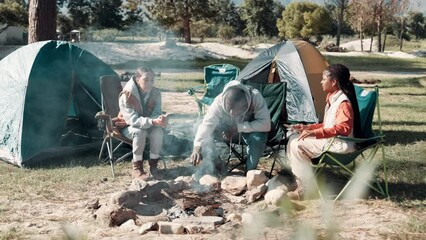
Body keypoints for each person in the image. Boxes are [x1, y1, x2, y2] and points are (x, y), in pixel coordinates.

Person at [286, 64, 363, 200]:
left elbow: (344, 128)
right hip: (332, 141)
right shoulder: (334, 98)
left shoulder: (343, 103)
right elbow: (329, 124)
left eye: (323, 79)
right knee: (293, 136)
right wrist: (307, 128)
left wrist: (316, 133)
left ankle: (305, 188)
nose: (321, 82)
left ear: (333, 82)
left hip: (339, 145)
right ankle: (302, 180)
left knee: (296, 144)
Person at [189, 80, 271, 175]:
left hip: (249, 132)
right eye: (229, 107)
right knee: (199, 126)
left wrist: (237, 128)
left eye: (236, 109)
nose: (231, 113)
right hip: (225, 131)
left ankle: (250, 173)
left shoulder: (255, 97)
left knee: (258, 138)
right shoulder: (219, 101)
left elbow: (265, 124)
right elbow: (207, 124)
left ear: (245, 103)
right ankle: (217, 165)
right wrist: (197, 146)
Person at [117, 66, 168, 180]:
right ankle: (137, 168)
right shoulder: (126, 95)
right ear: (137, 78)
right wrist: (152, 121)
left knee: (157, 131)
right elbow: (133, 120)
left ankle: (154, 166)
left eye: (152, 80)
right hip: (128, 126)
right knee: (139, 132)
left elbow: (156, 112)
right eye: (146, 80)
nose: (149, 83)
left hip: (148, 124)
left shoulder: (155, 93)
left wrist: (160, 119)